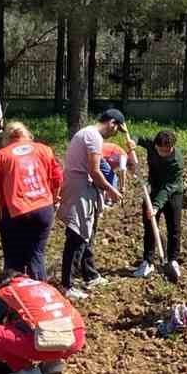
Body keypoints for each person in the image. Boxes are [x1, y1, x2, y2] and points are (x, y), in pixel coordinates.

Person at [0, 122, 64, 284]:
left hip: (15, 210)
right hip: (43, 208)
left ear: (6, 138)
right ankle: (40, 292)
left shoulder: (1, 156)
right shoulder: (44, 150)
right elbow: (57, 178)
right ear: (28, 135)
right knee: (36, 254)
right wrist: (55, 198)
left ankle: (14, 294)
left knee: (13, 257)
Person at [56, 110, 124, 296]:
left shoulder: (86, 133)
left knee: (87, 233)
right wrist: (111, 190)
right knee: (77, 234)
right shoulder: (93, 137)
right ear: (112, 123)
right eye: (117, 129)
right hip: (80, 187)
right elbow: (94, 171)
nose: (115, 134)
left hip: (81, 185)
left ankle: (90, 275)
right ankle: (67, 285)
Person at [0, 272, 86, 374]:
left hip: (46, 343)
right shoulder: (43, 285)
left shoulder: (6, 291)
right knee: (39, 317)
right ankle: (52, 363)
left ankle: (26, 372)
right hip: (75, 338)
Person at [133, 129, 184, 281]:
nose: (163, 153)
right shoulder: (152, 145)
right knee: (149, 226)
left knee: (174, 227)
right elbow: (138, 136)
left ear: (172, 147)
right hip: (154, 188)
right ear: (155, 146)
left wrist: (155, 206)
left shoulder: (177, 161)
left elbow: (169, 186)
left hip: (173, 191)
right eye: (160, 150)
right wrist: (133, 142)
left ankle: (173, 260)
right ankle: (148, 261)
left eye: (167, 150)